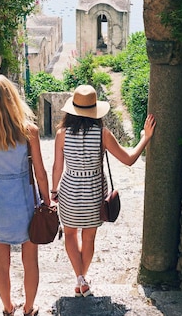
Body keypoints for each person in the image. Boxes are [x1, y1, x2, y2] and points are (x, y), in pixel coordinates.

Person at [52, 84, 156, 297]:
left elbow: (57, 167)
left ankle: (80, 278)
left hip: (70, 190)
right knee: (89, 238)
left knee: (70, 234)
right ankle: (82, 279)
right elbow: (128, 159)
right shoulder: (103, 134)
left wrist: (54, 192)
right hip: (94, 192)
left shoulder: (62, 134)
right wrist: (145, 137)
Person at [0, 74, 50, 316]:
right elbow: (40, 172)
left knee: (1, 262)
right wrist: (48, 201)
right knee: (30, 260)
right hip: (25, 198)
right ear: (11, 98)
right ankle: (29, 308)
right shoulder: (29, 132)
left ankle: (7, 308)